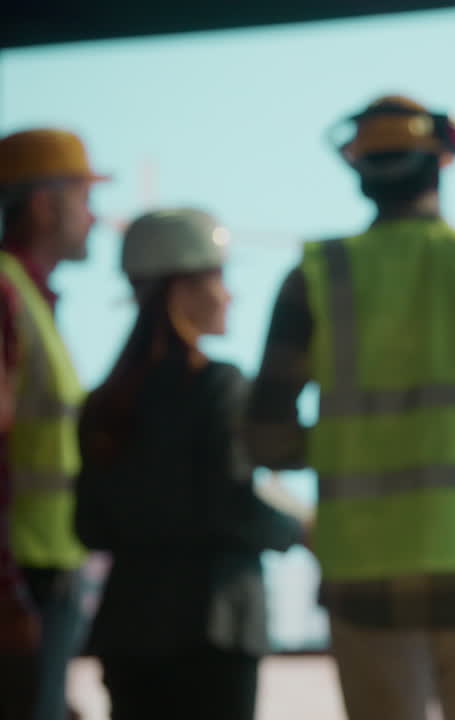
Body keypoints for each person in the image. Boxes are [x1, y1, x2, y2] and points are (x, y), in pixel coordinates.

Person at [246, 94, 455, 720]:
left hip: (362, 570)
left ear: (361, 175)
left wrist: (344, 444)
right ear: (439, 167)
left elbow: (266, 440)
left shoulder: (317, 276)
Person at [74, 208, 304, 720]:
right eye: (219, 277)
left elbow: (88, 526)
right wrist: (298, 531)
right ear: (181, 288)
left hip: (129, 629)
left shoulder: (105, 402)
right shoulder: (218, 386)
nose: (230, 294)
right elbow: (234, 506)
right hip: (216, 629)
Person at [0, 128, 106, 720]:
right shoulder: (7, 294)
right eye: (84, 197)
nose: (94, 217)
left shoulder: (30, 298)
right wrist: (9, 594)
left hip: (44, 573)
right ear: (44, 204)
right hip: (24, 578)